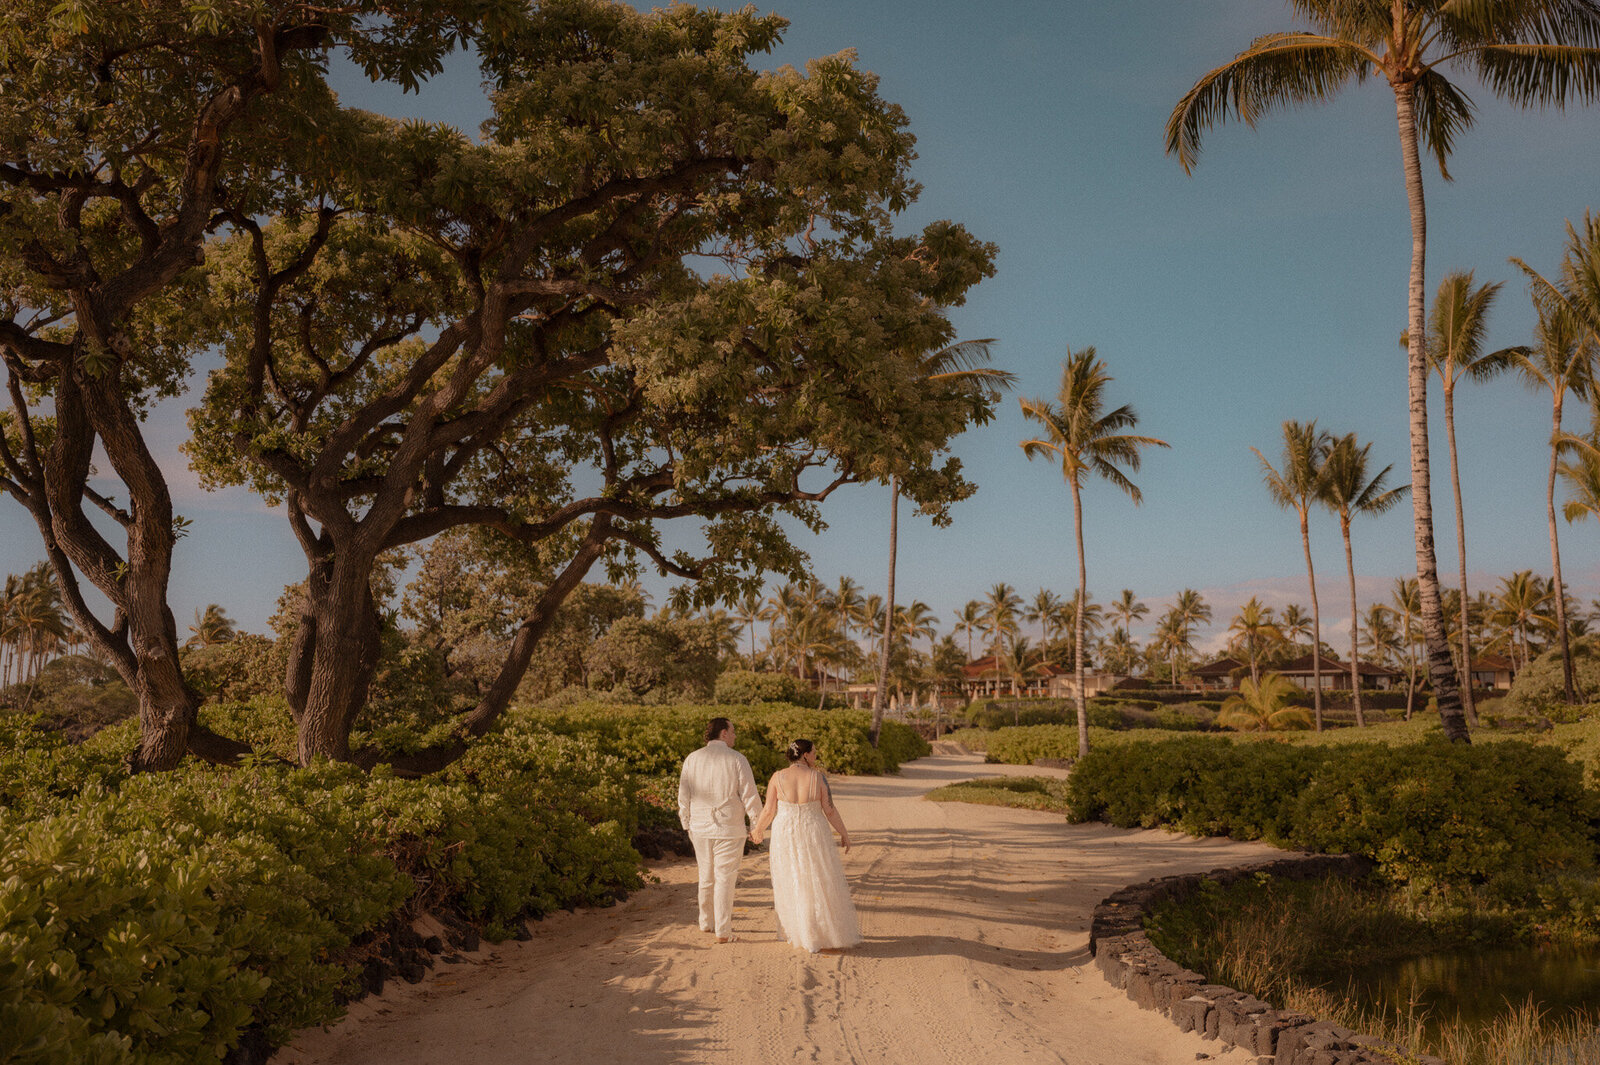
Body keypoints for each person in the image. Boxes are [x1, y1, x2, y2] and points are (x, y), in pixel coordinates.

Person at [749, 738, 862, 953]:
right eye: (814, 752)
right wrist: (844, 833)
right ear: (805, 755)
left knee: (791, 878)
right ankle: (818, 932)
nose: (816, 756)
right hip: (813, 830)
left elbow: (769, 811)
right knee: (817, 877)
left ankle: (801, 931)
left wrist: (758, 830)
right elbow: (829, 810)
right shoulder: (818, 777)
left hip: (786, 832)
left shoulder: (777, 777)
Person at [678, 716, 762, 943]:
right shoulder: (737, 759)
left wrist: (686, 822)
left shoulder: (692, 758)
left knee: (706, 876)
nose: (735, 735)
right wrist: (757, 824)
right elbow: (749, 794)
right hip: (729, 827)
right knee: (725, 878)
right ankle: (723, 931)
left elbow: (683, 794)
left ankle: (706, 922)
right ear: (723, 733)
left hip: (700, 825)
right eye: (732, 731)